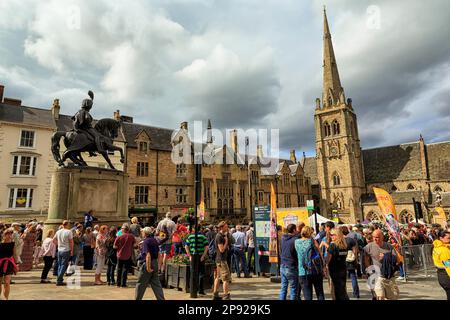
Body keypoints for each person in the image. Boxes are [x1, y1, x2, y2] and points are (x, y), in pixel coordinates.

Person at [364, 229, 400, 300]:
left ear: (382, 237)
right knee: (380, 296)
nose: (375, 239)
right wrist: (369, 269)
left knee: (392, 296)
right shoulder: (369, 247)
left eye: (377, 237)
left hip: (388, 275)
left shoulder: (389, 246)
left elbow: (396, 259)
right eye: (373, 237)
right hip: (377, 275)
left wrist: (385, 256)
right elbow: (366, 258)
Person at [295, 226, 325, 300]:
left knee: (307, 295)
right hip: (316, 270)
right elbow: (320, 254)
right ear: (310, 233)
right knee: (320, 293)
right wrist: (324, 266)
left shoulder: (296, 242)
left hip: (303, 271)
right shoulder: (313, 241)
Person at [135, 227, 165, 300]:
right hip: (155, 262)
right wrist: (158, 267)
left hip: (147, 264)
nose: (141, 233)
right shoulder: (154, 240)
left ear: (145, 233)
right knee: (156, 284)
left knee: (141, 284)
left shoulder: (146, 242)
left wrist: (148, 267)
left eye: (142, 232)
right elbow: (159, 255)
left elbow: (148, 256)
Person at [326, 228, 355, 300]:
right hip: (343, 269)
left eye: (332, 235)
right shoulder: (344, 245)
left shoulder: (332, 246)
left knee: (337, 289)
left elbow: (328, 259)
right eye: (330, 235)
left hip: (334, 270)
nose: (331, 236)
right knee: (342, 288)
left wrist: (325, 265)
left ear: (337, 235)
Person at [185, 225, 209, 295]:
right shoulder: (203, 237)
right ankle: (201, 290)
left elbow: (186, 246)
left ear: (193, 229)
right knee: (201, 273)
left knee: (193, 273)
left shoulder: (190, 236)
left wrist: (189, 256)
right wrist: (203, 256)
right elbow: (206, 247)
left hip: (193, 257)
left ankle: (193, 289)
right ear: (200, 229)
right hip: (200, 256)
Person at [212, 221, 231, 300]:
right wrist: (226, 241)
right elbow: (222, 249)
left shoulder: (222, 235)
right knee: (226, 278)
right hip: (222, 260)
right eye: (226, 227)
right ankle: (226, 295)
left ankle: (215, 294)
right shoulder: (219, 236)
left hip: (219, 259)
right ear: (221, 227)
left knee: (217, 277)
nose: (227, 228)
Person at [279, 224, 299, 300]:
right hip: (291, 266)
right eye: (296, 229)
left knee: (283, 288)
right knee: (293, 288)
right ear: (294, 230)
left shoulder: (283, 238)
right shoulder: (295, 240)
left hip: (283, 265)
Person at [114, 223, 136, 288]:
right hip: (128, 255)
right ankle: (123, 284)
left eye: (122, 228)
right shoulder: (131, 236)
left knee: (119, 269)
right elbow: (134, 244)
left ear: (123, 229)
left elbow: (114, 246)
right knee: (125, 270)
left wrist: (119, 246)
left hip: (120, 255)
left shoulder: (119, 236)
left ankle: (118, 284)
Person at [53, 220, 74, 286]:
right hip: (66, 250)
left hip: (60, 250)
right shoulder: (69, 232)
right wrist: (72, 250)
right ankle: (59, 280)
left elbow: (53, 240)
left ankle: (59, 279)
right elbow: (71, 242)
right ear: (67, 224)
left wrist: (58, 244)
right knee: (63, 265)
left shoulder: (58, 231)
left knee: (60, 264)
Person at [0, 228, 18, 300]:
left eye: (10, 234)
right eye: (8, 234)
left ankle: (6, 298)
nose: (9, 235)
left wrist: (16, 264)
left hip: (9, 263)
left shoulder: (12, 244)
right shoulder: (0, 243)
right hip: (0, 263)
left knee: (7, 282)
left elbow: (15, 255)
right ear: (4, 235)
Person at [432, 230, 450, 300]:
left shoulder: (436, 246)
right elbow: (448, 266)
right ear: (441, 238)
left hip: (441, 275)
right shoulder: (443, 250)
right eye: (448, 238)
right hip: (446, 276)